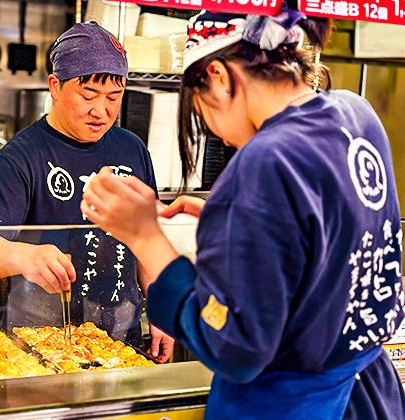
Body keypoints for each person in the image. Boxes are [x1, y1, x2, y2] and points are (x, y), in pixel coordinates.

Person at [81, 7, 405, 419]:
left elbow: (235, 345)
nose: (218, 134)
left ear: (218, 76)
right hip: (372, 393)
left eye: (204, 111)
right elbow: (327, 232)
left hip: (293, 404)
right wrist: (232, 218)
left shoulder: (266, 157)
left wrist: (144, 236)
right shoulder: (356, 113)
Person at [0, 22, 174, 362]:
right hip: (40, 343)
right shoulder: (22, 156)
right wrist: (24, 256)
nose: (101, 110)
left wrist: (162, 308)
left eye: (113, 97)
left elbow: (145, 240)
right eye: (88, 96)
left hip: (121, 341)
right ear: (55, 87)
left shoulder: (132, 149)